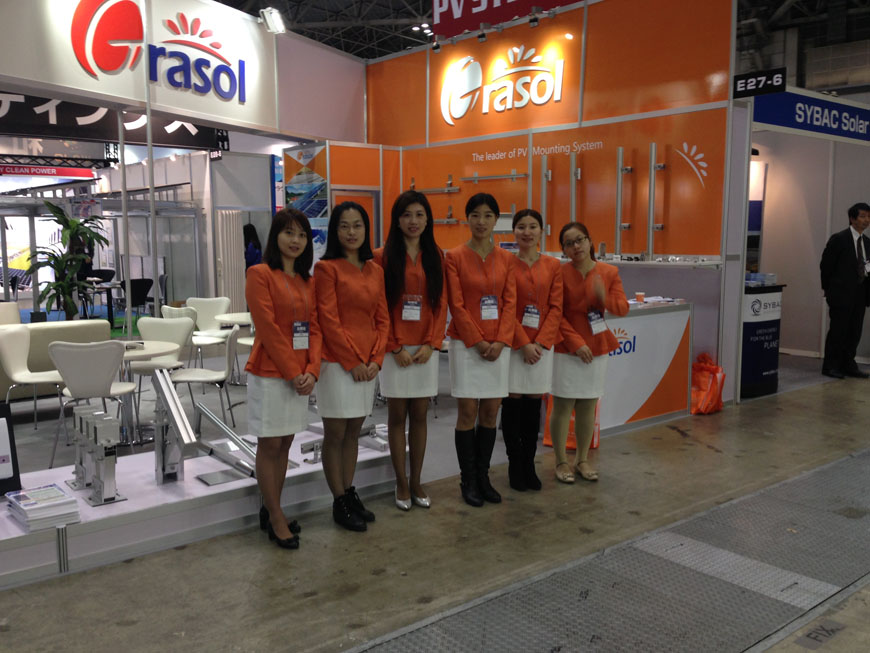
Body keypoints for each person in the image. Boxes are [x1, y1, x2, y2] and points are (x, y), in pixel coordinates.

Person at [245, 208, 320, 550]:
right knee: (270, 445)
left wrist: (312, 370)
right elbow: (268, 329)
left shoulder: (308, 281)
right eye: (289, 233)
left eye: (302, 235)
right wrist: (294, 372)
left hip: (300, 376)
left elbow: (315, 329)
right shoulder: (259, 274)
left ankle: (272, 508)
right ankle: (276, 516)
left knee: (286, 444)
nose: (296, 240)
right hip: (270, 372)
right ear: (276, 236)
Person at [315, 201, 390, 531]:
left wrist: (376, 359)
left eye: (357, 225)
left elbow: (382, 319)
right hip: (337, 364)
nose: (351, 232)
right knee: (335, 433)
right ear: (335, 230)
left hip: (367, 366)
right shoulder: (326, 269)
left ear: (366, 229)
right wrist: (352, 361)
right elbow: (328, 321)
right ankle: (339, 501)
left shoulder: (376, 270)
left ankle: (348, 491)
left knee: (354, 432)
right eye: (344, 226)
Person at [374, 191, 447, 511]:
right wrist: (394, 346)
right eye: (406, 215)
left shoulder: (436, 255)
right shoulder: (381, 257)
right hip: (396, 351)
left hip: (425, 351)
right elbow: (379, 306)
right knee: (396, 416)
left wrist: (432, 343)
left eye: (419, 214)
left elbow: (441, 303)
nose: (413, 221)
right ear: (396, 220)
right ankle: (401, 482)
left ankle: (416, 480)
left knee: (419, 415)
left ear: (428, 219)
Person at [445, 193, 516, 507]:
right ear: (467, 219)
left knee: (490, 411)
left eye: (488, 215)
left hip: (499, 345)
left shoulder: (507, 259)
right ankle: (468, 479)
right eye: (475, 215)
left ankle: (484, 477)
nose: (481, 221)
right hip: (466, 345)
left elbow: (510, 304)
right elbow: (456, 305)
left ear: (496, 220)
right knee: (467, 412)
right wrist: (478, 340)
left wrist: (500, 340)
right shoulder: (454, 257)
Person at [550, 222, 628, 484]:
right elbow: (556, 313)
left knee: (588, 406)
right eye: (569, 243)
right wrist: (575, 343)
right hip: (567, 348)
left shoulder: (609, 272)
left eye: (580, 240)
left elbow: (622, 308)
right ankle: (561, 461)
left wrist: (603, 296)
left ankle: (582, 459)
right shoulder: (559, 273)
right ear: (563, 249)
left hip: (597, 347)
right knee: (563, 405)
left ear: (590, 241)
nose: (576, 246)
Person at [502, 209, 563, 492]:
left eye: (533, 226)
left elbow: (556, 308)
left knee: (532, 407)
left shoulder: (553, 265)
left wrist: (538, 343)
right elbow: (505, 307)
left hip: (541, 346)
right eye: (521, 227)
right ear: (514, 231)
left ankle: (529, 463)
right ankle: (515, 464)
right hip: (514, 344)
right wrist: (523, 343)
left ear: (542, 231)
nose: (527, 232)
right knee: (513, 404)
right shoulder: (505, 263)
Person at [820, 202, 870, 379]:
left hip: (860, 294)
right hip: (841, 294)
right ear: (852, 218)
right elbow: (826, 266)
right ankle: (830, 366)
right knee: (838, 330)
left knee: (854, 331)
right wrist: (828, 290)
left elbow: (867, 266)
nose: (866, 220)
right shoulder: (839, 239)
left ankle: (848, 364)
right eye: (862, 216)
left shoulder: (867, 242)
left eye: (868, 217)